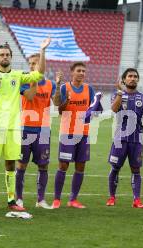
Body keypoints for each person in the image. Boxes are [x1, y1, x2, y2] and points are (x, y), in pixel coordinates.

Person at [0, 30, 51, 211]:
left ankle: (11, 200)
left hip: (13, 128)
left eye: (7, 55)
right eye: (1, 55)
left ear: (11, 57)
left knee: (11, 163)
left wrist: (42, 50)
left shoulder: (18, 76)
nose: (5, 57)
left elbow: (39, 74)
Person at [106, 68, 143, 208]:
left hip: (137, 139)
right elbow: (113, 109)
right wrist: (120, 92)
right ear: (124, 80)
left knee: (136, 169)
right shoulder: (117, 94)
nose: (133, 78)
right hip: (120, 138)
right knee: (115, 168)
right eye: (130, 76)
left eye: (135, 76)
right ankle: (112, 197)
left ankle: (137, 200)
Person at [51, 62, 96, 209]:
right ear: (72, 72)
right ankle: (57, 199)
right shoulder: (65, 88)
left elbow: (93, 109)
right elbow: (60, 109)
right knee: (63, 165)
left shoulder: (89, 89)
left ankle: (73, 199)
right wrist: (68, 101)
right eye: (79, 71)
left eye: (83, 71)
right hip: (68, 132)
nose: (82, 73)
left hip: (83, 133)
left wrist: (92, 114)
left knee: (80, 166)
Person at [15, 53, 56, 210]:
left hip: (44, 129)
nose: (32, 66)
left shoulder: (51, 84)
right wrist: (34, 80)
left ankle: (40, 200)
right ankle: (19, 199)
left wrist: (58, 87)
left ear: (43, 65)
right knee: (21, 165)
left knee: (43, 166)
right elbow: (30, 97)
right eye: (30, 63)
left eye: (35, 63)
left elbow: (58, 103)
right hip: (26, 128)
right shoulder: (24, 80)